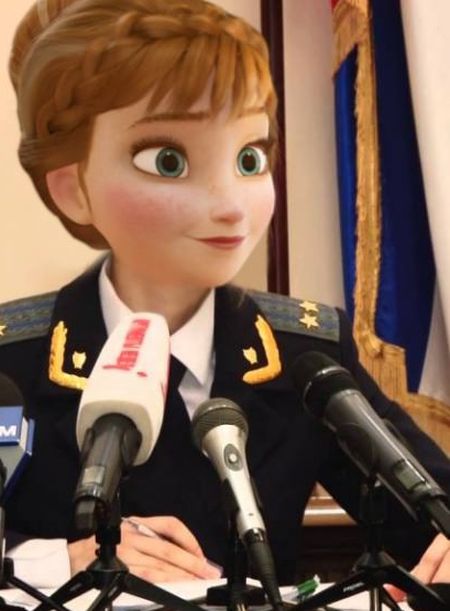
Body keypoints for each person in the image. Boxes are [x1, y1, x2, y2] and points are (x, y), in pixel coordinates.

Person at [1, 0, 449, 600]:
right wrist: (60, 560)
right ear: (72, 188)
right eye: (169, 161)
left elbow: (425, 510)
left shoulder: (303, 354)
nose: (231, 205)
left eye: (249, 158)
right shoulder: (16, 362)